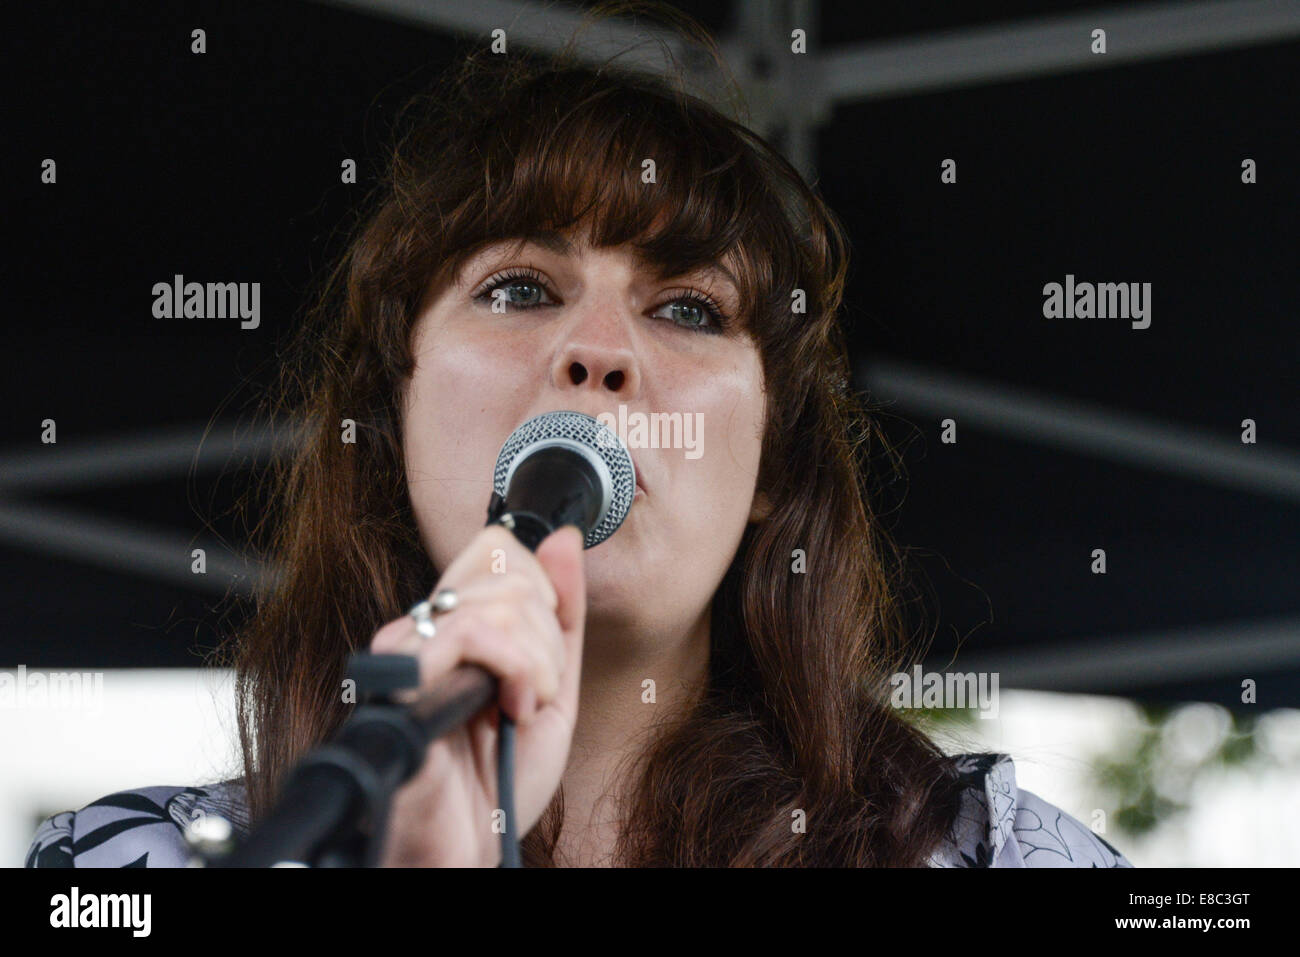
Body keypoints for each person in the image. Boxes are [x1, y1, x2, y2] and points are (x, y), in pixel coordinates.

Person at [25, 16, 1132, 869]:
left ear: (770, 472)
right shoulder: (126, 870)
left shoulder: (991, 857)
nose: (596, 353)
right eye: (518, 287)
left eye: (688, 309)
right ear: (393, 415)